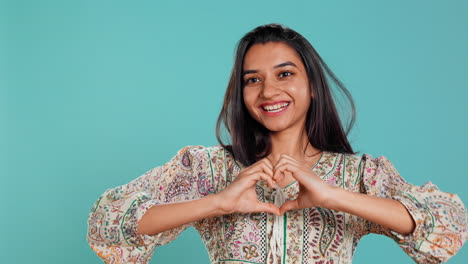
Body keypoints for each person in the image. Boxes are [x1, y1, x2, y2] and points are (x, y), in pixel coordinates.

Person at [86, 23, 467, 264]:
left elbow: (448, 225)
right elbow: (106, 223)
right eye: (252, 80)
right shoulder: (208, 169)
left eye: (285, 73)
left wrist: (332, 196)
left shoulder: (358, 174)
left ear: (313, 86)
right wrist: (218, 202)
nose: (269, 90)